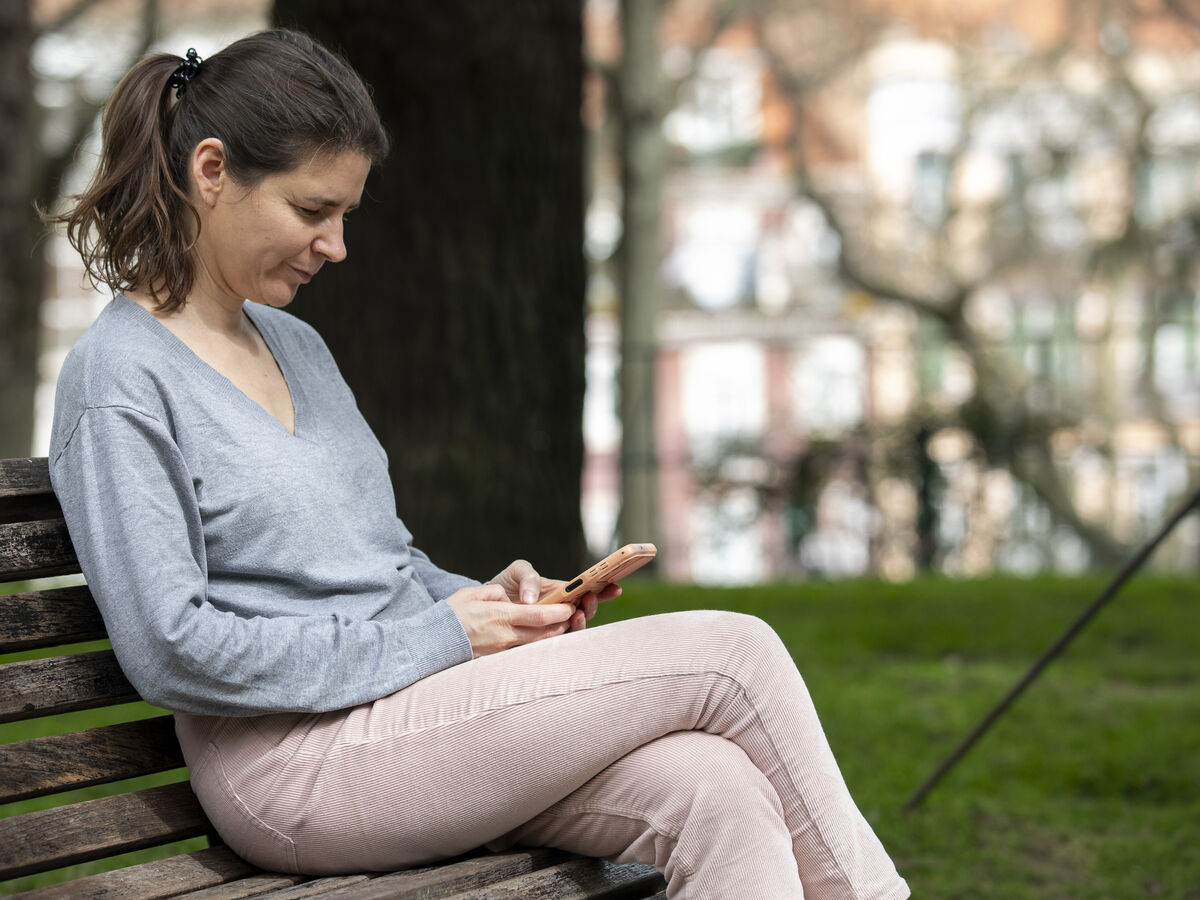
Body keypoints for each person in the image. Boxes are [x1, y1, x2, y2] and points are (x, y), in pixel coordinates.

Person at [46, 29, 910, 899]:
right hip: (296, 765)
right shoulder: (119, 378)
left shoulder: (296, 346)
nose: (337, 245)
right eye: (313, 211)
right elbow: (170, 648)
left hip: (418, 723)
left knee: (715, 790)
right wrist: (444, 636)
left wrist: (490, 602)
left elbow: (382, 562)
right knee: (733, 653)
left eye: (346, 215)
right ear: (211, 172)